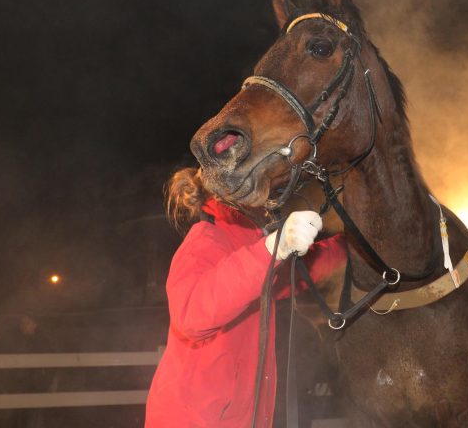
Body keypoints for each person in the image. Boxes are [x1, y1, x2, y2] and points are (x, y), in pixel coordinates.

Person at [145, 168, 346, 427]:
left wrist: (350, 246)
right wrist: (272, 249)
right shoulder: (205, 240)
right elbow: (192, 314)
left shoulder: (246, 243)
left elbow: (294, 275)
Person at [0, 314, 57, 428]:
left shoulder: (43, 342)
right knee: (18, 418)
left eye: (27, 323)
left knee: (33, 418)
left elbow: (52, 366)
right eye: (22, 323)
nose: (23, 326)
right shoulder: (17, 341)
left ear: (35, 324)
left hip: (35, 388)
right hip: (19, 388)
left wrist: (44, 384)